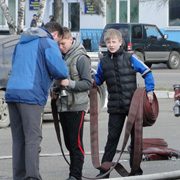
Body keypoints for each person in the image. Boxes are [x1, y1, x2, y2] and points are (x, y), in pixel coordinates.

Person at [5, 22, 69, 180]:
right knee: (33, 138)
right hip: (31, 96)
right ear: (55, 34)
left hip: (12, 92)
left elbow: (15, 64)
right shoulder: (47, 42)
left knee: (19, 139)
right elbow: (60, 70)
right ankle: (32, 177)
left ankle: (19, 177)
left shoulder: (22, 41)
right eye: (58, 40)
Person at [94, 29, 154, 178]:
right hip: (115, 107)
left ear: (120, 42)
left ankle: (136, 171)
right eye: (108, 42)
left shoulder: (130, 57)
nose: (111, 45)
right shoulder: (103, 62)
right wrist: (89, 82)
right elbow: (98, 80)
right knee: (112, 139)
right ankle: (103, 172)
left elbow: (147, 72)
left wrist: (150, 90)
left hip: (133, 106)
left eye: (114, 42)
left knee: (136, 140)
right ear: (105, 44)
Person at [51, 27, 93, 180]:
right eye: (58, 44)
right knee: (69, 143)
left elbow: (88, 83)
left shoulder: (81, 57)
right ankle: (74, 173)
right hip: (62, 105)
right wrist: (54, 89)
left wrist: (69, 83)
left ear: (71, 39)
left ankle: (75, 175)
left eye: (63, 44)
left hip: (77, 106)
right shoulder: (60, 57)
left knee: (76, 144)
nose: (60, 47)